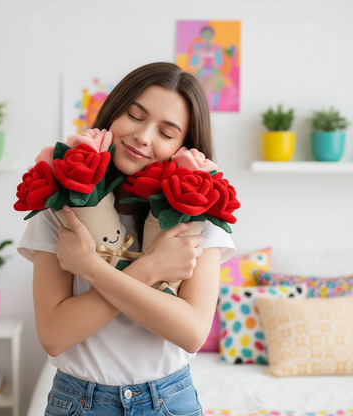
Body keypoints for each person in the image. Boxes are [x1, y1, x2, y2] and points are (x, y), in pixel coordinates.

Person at [18, 62, 236, 416]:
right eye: (135, 115)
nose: (143, 136)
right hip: (78, 401)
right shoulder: (60, 211)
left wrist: (91, 267)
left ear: (184, 146)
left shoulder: (197, 218)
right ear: (113, 111)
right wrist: (149, 269)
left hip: (169, 400)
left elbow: (192, 332)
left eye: (166, 133)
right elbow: (54, 336)